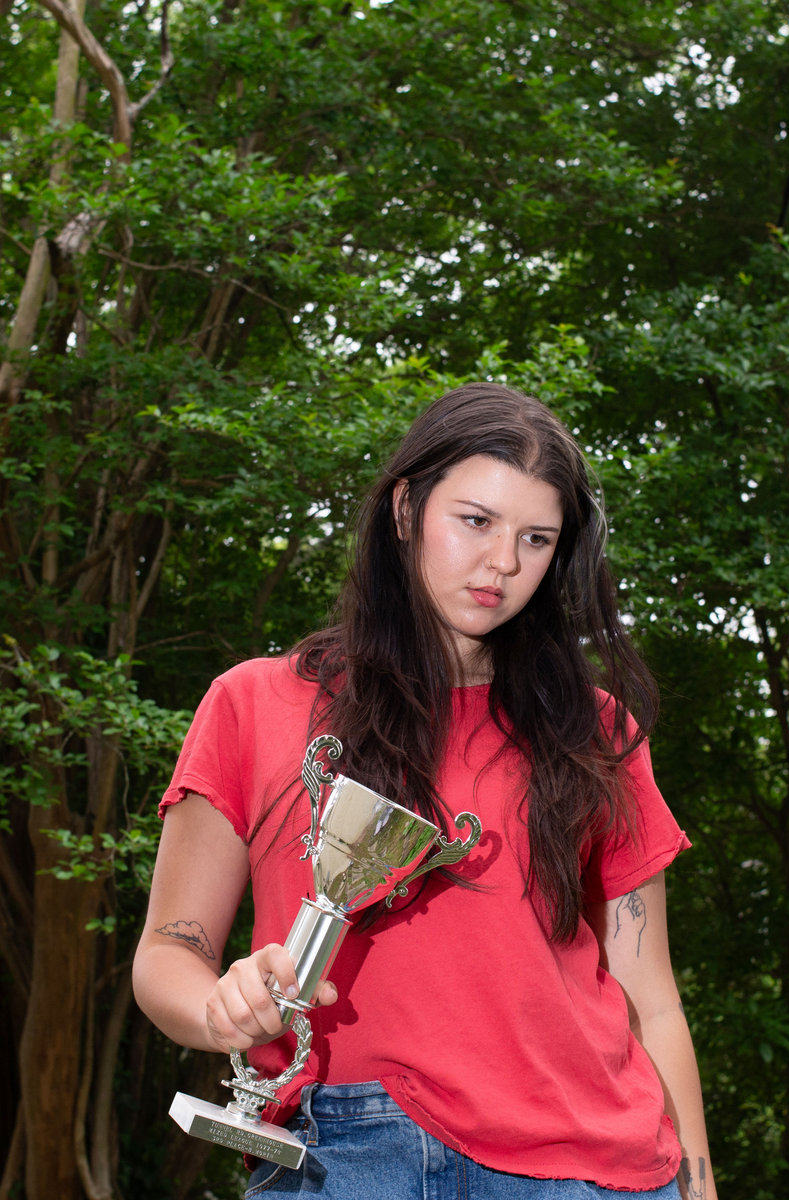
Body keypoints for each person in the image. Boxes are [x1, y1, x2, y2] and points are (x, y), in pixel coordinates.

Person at [132, 382, 719, 1199]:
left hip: (586, 1164)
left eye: (537, 539)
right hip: (340, 1155)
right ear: (406, 509)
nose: (504, 562)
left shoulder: (596, 732)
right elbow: (169, 951)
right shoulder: (253, 704)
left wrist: (699, 1184)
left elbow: (649, 997)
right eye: (475, 521)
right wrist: (217, 1008)